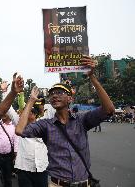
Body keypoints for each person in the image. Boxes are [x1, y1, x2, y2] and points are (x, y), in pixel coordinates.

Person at [16, 56, 115, 187]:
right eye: (51, 94)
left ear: (69, 99)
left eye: (60, 92)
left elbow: (109, 110)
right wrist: (31, 100)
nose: (54, 95)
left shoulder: (82, 120)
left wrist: (92, 77)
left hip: (84, 183)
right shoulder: (46, 125)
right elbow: (20, 130)